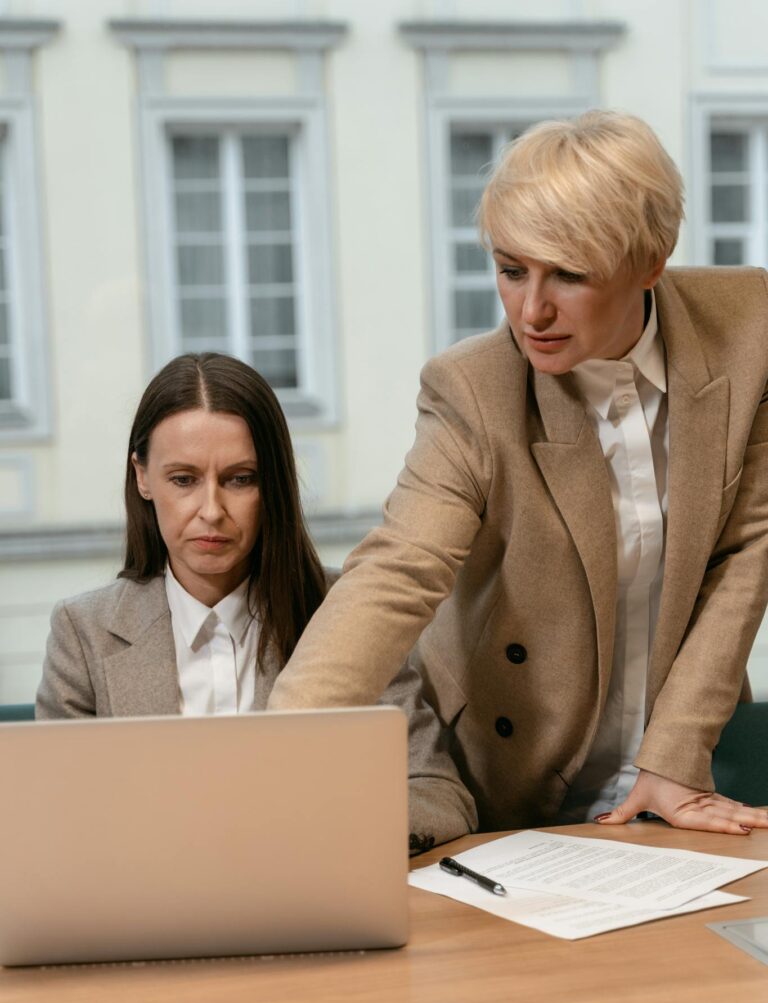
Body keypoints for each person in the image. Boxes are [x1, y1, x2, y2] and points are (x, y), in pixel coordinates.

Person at [268, 109, 768, 837]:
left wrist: (676, 749)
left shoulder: (748, 328)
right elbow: (395, 572)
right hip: (504, 779)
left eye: (569, 275)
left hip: (678, 774)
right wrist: (268, 750)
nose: (531, 311)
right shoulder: (472, 388)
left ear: (650, 261)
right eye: (511, 270)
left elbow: (748, 548)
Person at [36, 352, 477, 851]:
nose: (211, 510)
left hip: (312, 902)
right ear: (142, 477)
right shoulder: (83, 631)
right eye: (183, 479)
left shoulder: (350, 613)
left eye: (239, 479)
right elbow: (57, 818)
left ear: (272, 484)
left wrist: (319, 829)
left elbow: (439, 795)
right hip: (150, 914)